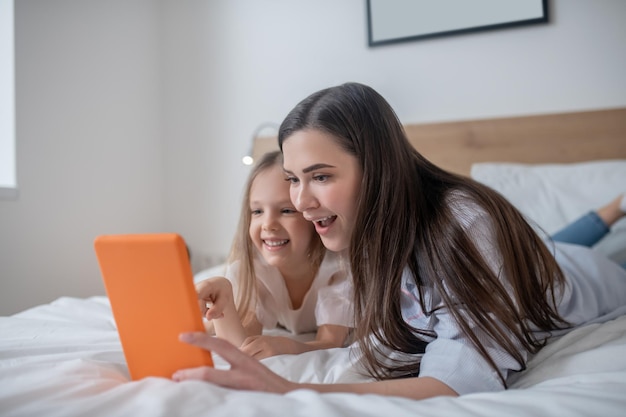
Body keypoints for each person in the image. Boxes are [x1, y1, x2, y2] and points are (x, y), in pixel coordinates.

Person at [173, 82, 626, 400]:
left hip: (589, 278)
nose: (302, 201)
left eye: (321, 177)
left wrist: (294, 389)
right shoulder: (364, 229)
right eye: (293, 179)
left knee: (573, 251)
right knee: (549, 245)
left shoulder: (464, 223)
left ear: (378, 168)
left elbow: (458, 382)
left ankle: (616, 207)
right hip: (534, 259)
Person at [195, 150, 352, 359]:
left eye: (287, 211)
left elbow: (330, 343)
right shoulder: (254, 269)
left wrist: (288, 346)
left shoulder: (339, 269)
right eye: (257, 212)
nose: (268, 224)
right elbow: (243, 344)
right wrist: (223, 299)